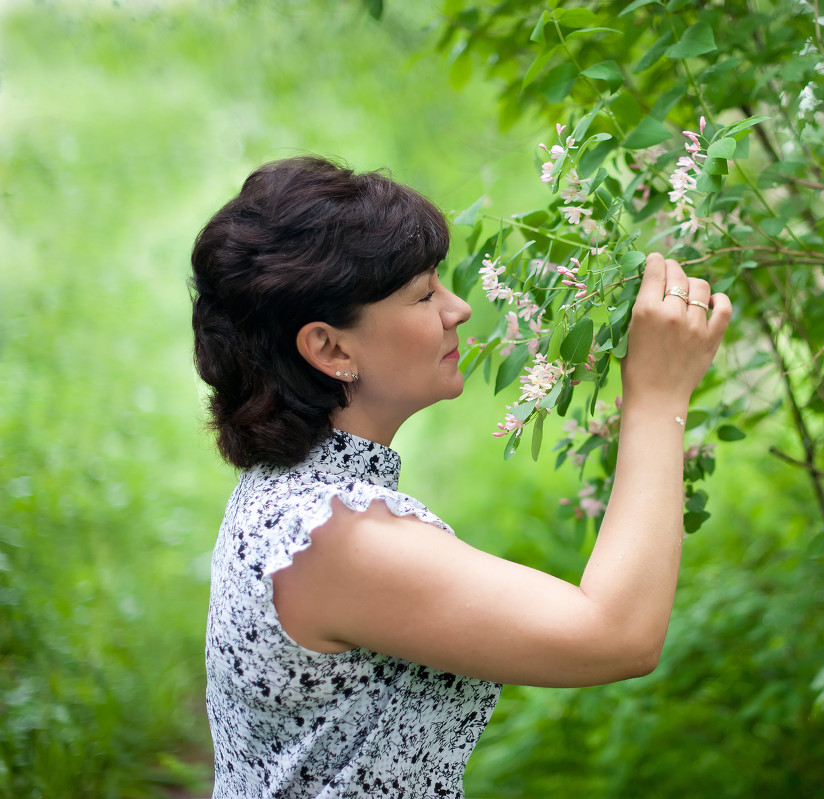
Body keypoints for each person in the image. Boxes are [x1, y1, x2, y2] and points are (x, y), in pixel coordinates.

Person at [191, 155, 731, 798]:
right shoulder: (333, 537)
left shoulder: (285, 497)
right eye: (423, 295)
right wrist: (658, 395)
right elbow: (618, 635)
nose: (461, 309)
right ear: (330, 349)